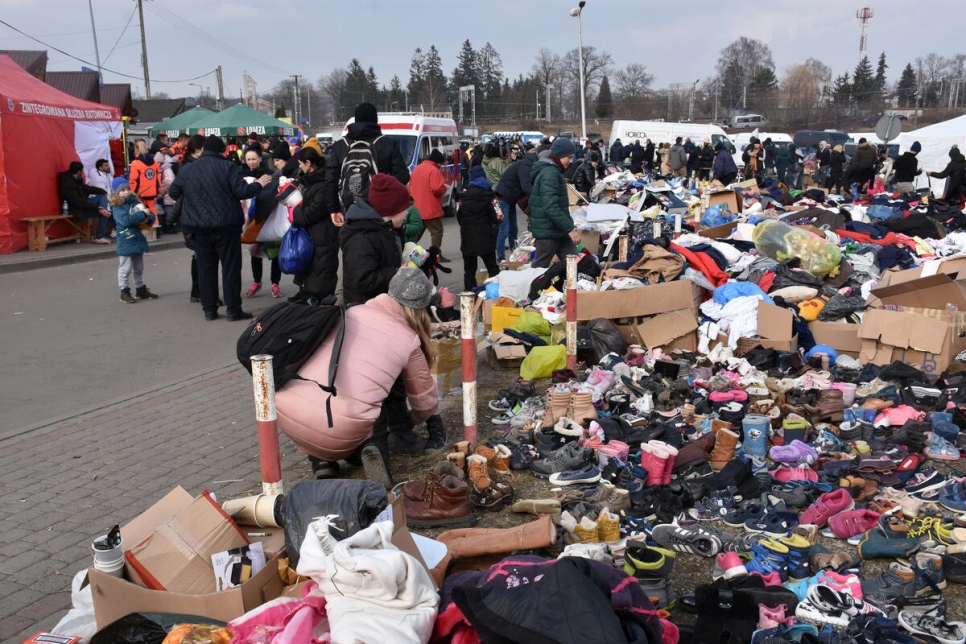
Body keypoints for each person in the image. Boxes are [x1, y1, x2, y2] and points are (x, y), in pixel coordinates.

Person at [275, 267, 439, 487]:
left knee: (327, 392)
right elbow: (425, 402)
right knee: (373, 405)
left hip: (289, 414)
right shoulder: (408, 339)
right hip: (343, 426)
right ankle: (373, 449)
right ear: (421, 308)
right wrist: (412, 420)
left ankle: (322, 462)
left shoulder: (349, 311)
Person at [169, 135, 270, 321]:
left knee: (206, 269)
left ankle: (209, 309)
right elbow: (242, 191)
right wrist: (258, 184)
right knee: (230, 268)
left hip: (198, 227)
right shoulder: (228, 167)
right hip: (226, 226)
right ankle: (233, 309)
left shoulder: (188, 169)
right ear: (221, 151)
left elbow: (174, 192)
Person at [324, 102, 410, 229]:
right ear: (375, 120)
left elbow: (330, 181)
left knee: (353, 245)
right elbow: (403, 177)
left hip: (351, 210)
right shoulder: (387, 144)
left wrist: (334, 209)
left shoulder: (340, 146)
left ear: (355, 119)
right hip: (381, 212)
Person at [291, 147, 339, 305]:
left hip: (324, 232)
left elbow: (311, 213)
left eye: (300, 164)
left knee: (322, 267)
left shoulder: (324, 184)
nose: (299, 167)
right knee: (311, 265)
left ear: (308, 163)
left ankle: (319, 297)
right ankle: (308, 293)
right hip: (314, 232)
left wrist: (294, 211)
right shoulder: (308, 180)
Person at [530, 137, 581, 269]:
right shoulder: (550, 173)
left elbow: (560, 206)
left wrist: (569, 226)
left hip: (558, 229)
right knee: (539, 270)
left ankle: (574, 287)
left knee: (574, 264)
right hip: (548, 231)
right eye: (568, 157)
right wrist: (569, 228)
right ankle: (532, 288)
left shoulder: (554, 171)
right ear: (559, 156)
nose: (570, 161)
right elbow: (551, 206)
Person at [241, 148, 282, 299]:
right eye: (248, 159)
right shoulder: (240, 175)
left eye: (254, 158)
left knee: (274, 250)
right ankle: (256, 281)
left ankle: (275, 283)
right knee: (254, 249)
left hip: (267, 216)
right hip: (251, 219)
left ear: (260, 159)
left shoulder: (269, 175)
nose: (251, 162)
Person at [109, 180, 158, 304]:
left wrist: (148, 218)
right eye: (123, 190)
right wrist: (142, 215)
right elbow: (125, 220)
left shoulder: (134, 201)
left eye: (127, 189)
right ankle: (124, 290)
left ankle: (140, 288)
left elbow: (151, 215)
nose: (126, 192)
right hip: (126, 238)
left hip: (137, 237)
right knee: (125, 267)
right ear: (117, 193)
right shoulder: (117, 206)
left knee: (138, 267)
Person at [458, 166, 500, 291]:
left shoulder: (462, 197)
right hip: (486, 237)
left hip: (468, 238)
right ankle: (496, 293)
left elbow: (458, 216)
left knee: (469, 270)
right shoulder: (491, 195)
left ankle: (470, 296)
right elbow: (499, 216)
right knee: (492, 268)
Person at [494, 144, 536, 262]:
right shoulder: (525, 165)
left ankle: (515, 257)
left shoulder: (527, 164)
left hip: (510, 198)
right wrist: (539, 194)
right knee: (504, 229)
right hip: (503, 198)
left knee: (513, 229)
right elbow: (526, 185)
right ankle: (500, 259)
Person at [57, 160, 112, 243]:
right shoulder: (68, 184)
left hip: (83, 203)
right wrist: (97, 208)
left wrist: (103, 192)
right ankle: (99, 237)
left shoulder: (76, 180)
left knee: (102, 199)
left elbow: (86, 188)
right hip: (76, 209)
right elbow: (78, 202)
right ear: (79, 171)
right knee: (104, 213)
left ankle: (103, 211)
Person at [411, 148, 448, 252]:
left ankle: (407, 250)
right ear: (438, 162)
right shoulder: (434, 170)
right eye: (441, 164)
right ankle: (435, 254)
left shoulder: (417, 168)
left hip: (417, 206)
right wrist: (444, 189)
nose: (441, 166)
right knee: (437, 231)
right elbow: (437, 188)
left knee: (417, 232)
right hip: (430, 207)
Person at [129, 140, 162, 217]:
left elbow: (133, 180)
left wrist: (132, 192)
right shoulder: (154, 162)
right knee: (152, 211)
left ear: (136, 149)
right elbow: (158, 178)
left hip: (140, 193)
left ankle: (143, 228)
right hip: (152, 191)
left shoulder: (135, 163)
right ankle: (154, 226)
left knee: (140, 211)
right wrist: (159, 190)